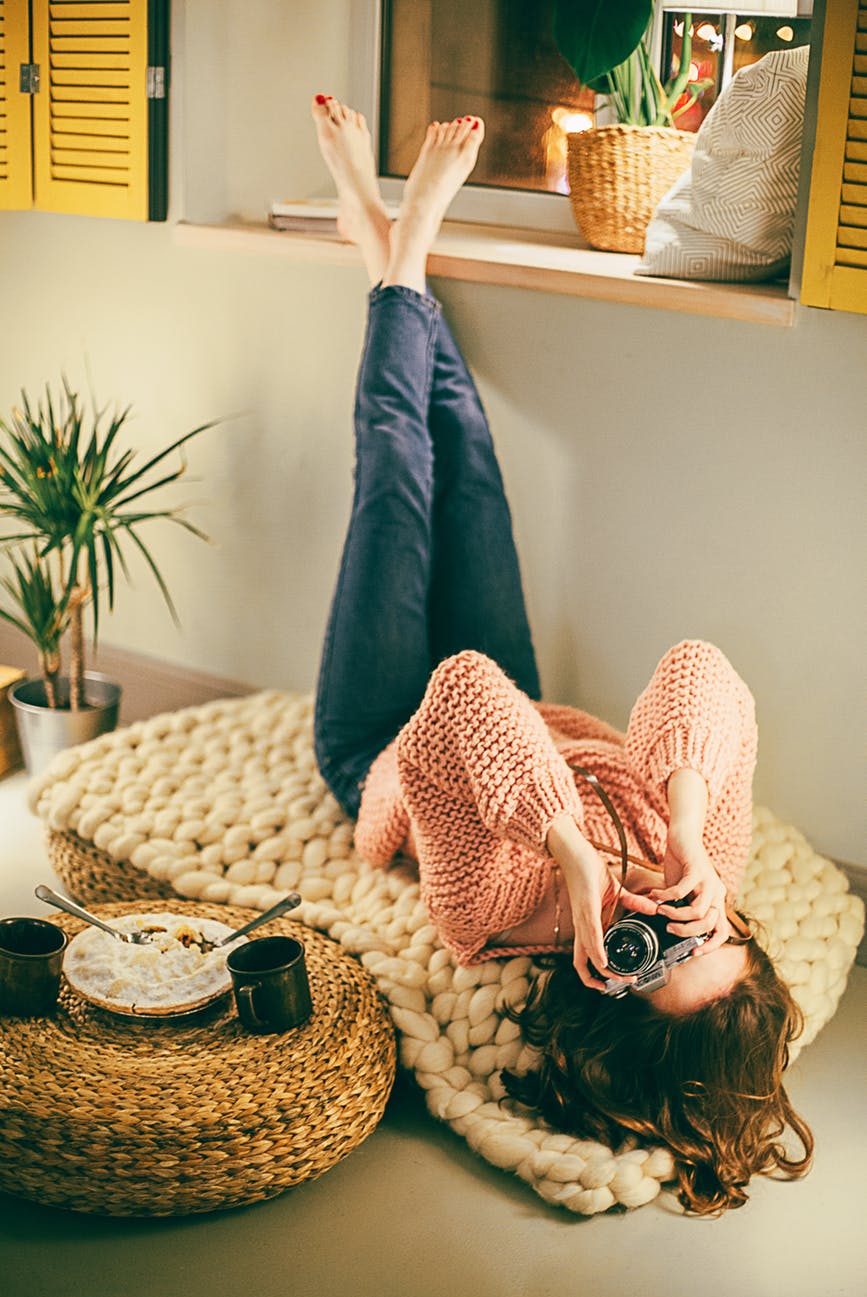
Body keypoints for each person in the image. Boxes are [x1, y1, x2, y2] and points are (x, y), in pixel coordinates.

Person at [310, 94, 813, 1215]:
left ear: (603, 975)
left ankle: (400, 241)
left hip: (389, 746)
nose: (669, 912)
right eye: (709, 931)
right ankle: (387, 250)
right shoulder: (701, 864)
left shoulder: (489, 911)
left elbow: (456, 696)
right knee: (472, 469)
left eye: (655, 951)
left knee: (397, 480)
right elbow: (700, 669)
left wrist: (576, 867)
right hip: (521, 726)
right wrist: (686, 828)